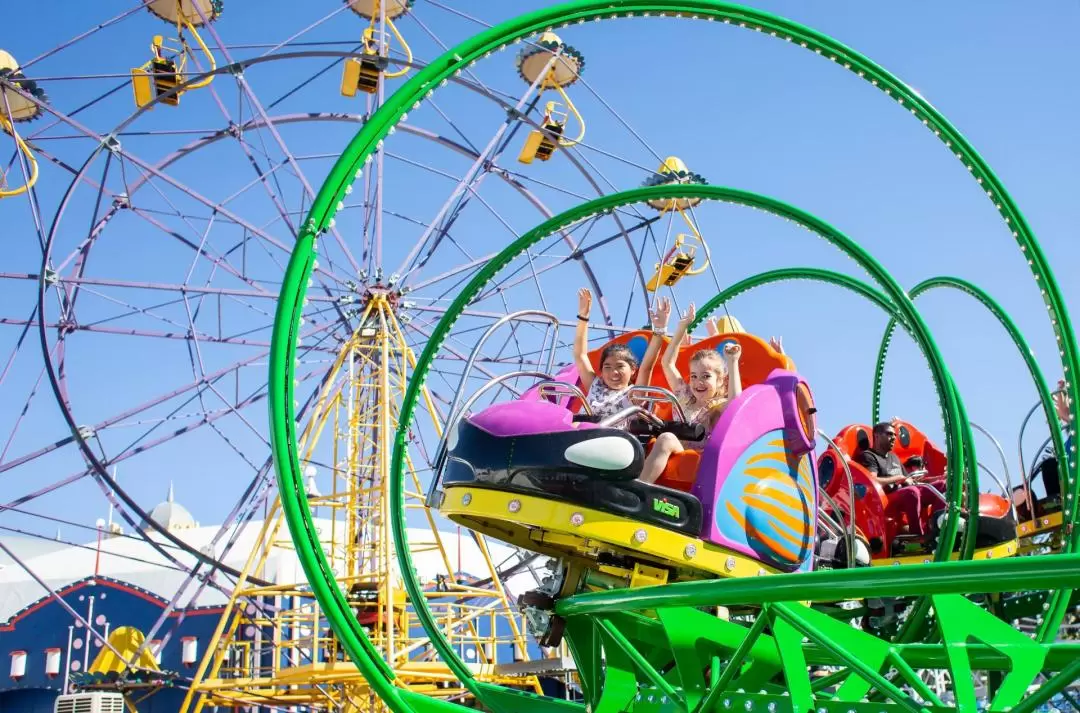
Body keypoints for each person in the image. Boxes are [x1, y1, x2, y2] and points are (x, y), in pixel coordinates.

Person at [638, 303, 743, 484]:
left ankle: (639, 487)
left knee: (666, 439)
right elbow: (667, 363)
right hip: (678, 449)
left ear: (720, 380)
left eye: (706, 376)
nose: (698, 382)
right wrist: (682, 327)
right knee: (653, 435)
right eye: (694, 376)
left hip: (705, 458)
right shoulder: (685, 396)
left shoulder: (719, 404)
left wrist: (732, 362)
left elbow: (736, 402)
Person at [574, 288, 667, 426]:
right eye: (607, 367)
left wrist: (659, 330)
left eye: (620, 366)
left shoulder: (633, 394)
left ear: (633, 369)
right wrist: (583, 316)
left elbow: (647, 366)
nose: (614, 372)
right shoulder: (596, 385)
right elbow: (580, 355)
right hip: (580, 434)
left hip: (612, 441)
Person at [858, 422, 943, 536]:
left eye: (894, 435)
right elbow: (872, 480)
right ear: (877, 436)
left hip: (906, 491)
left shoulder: (894, 457)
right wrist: (898, 478)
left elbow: (910, 480)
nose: (893, 438)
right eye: (889, 434)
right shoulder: (869, 456)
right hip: (886, 498)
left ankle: (938, 525)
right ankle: (917, 535)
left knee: (941, 485)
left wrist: (941, 478)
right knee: (912, 492)